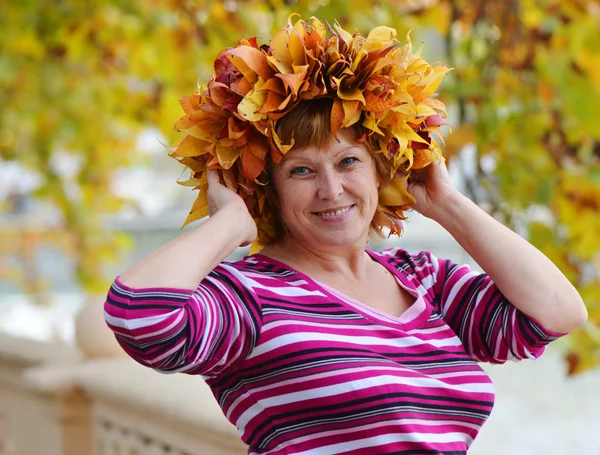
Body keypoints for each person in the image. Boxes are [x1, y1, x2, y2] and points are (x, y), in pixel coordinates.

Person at [104, 17, 587, 455]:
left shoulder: (424, 281)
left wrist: (449, 206)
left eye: (348, 161)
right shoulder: (250, 296)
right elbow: (139, 317)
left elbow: (555, 314)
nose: (330, 189)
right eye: (300, 170)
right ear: (266, 188)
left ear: (381, 171)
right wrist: (229, 221)